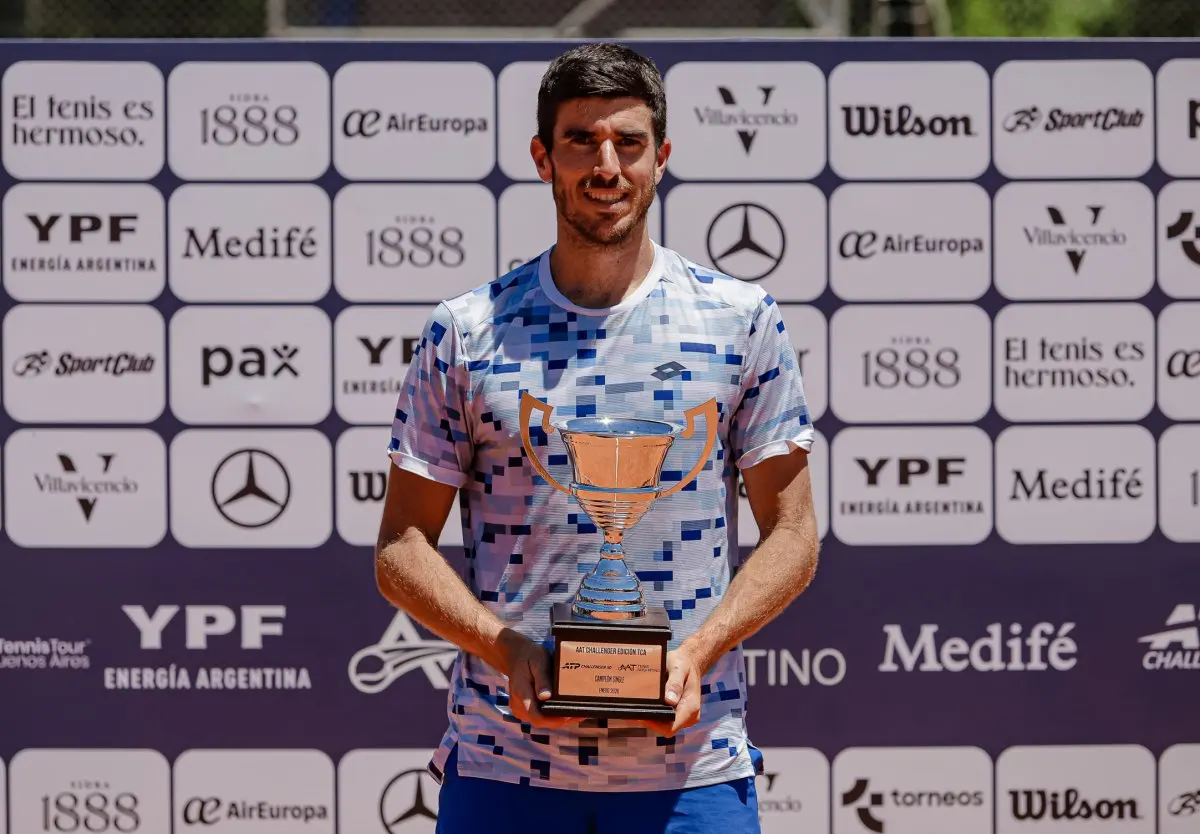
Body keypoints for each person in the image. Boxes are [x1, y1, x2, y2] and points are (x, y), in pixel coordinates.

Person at [375, 42, 820, 834]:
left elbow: (793, 533)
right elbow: (401, 545)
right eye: (581, 140)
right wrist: (506, 648)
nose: (606, 166)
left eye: (628, 142)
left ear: (661, 158)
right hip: (506, 766)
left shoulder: (738, 320)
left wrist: (699, 651)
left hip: (691, 769)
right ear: (542, 158)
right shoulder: (470, 331)